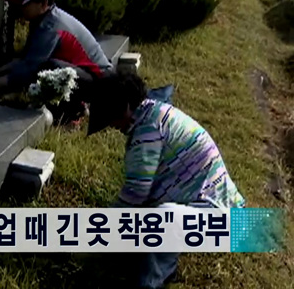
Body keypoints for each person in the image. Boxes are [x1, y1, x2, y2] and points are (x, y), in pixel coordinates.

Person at [85, 71, 246, 289]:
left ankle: (152, 280)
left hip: (219, 215)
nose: (112, 126)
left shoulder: (148, 131)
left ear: (124, 108)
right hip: (200, 200)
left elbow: (136, 193)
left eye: (110, 117)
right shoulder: (152, 111)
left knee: (164, 218)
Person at [0, 0, 114, 125]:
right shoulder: (41, 20)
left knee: (50, 69)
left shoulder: (51, 28)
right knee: (48, 68)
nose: (20, 7)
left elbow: (27, 72)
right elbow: (24, 61)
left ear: (43, 3)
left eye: (24, 3)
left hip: (101, 85)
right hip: (86, 76)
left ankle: (71, 114)